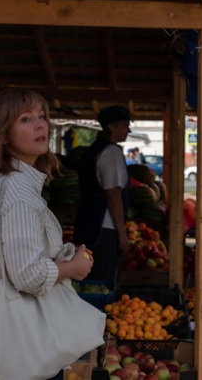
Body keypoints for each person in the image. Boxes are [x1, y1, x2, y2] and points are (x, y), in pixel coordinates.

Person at [0, 89, 94, 380]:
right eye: (25, 119)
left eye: (41, 116)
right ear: (3, 133)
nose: (40, 125)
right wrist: (74, 267)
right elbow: (27, 275)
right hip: (20, 348)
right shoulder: (18, 191)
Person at [73, 105, 132, 283]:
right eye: (125, 125)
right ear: (112, 126)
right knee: (102, 279)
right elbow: (113, 193)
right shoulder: (111, 152)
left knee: (87, 280)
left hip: (88, 223)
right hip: (103, 228)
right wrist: (122, 235)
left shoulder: (94, 149)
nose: (128, 130)